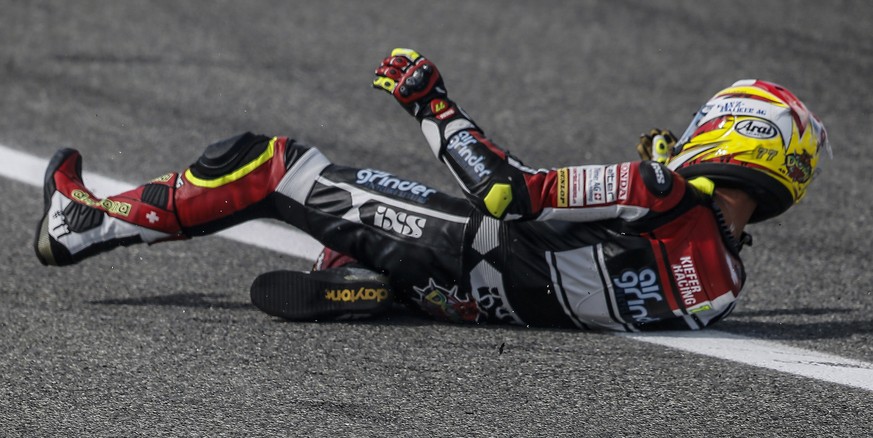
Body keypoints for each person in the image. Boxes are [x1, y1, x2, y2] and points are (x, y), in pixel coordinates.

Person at [34, 48, 830, 331]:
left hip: (466, 245)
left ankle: (83, 222)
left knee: (269, 163)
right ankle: (370, 280)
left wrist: (430, 103)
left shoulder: (659, 190)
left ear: (727, 132)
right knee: (354, 222)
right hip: (501, 299)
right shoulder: (723, 287)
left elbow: (505, 191)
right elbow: (618, 269)